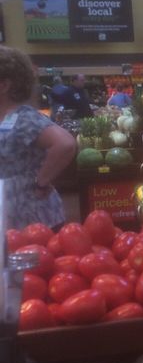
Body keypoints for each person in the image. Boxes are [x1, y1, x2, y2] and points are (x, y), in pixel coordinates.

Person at [0, 48, 76, 230]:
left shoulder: (23, 117)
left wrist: (41, 182)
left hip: (35, 219)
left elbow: (65, 143)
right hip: (12, 217)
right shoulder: (5, 118)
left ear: (4, 85)